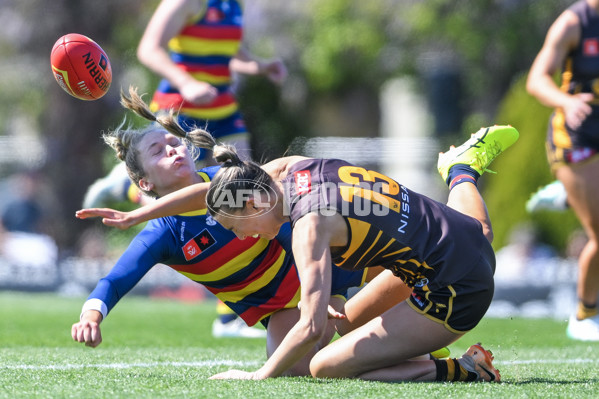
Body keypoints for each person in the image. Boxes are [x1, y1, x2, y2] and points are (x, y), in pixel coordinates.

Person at [109, 123, 518, 381]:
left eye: (239, 229)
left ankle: (462, 369)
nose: (248, 238)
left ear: (252, 205)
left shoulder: (307, 229)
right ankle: (462, 170)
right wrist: (140, 214)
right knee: (476, 236)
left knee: (324, 365)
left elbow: (307, 327)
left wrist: (259, 376)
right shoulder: (292, 169)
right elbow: (215, 189)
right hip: (451, 244)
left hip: (453, 294)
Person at [71, 87, 418, 376]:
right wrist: (91, 314)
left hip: (336, 262)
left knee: (412, 273)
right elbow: (116, 279)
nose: (172, 149)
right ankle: (430, 361)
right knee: (298, 368)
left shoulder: (228, 183)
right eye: (157, 151)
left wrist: (320, 292)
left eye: (173, 142)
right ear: (144, 182)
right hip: (281, 310)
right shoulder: (165, 234)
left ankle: (423, 317)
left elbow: (287, 227)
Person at [82, 0, 287, 336]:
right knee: (179, 205)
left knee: (249, 191)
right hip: (180, 105)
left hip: (222, 106)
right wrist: (187, 82)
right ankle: (130, 185)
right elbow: (149, 49)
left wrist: (260, 66)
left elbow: (227, 51)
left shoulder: (232, 5)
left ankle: (228, 317)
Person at [526, 0, 599, 341]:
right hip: (576, 139)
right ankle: (584, 315)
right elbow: (536, 79)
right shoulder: (573, 23)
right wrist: (566, 102)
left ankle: (571, 194)